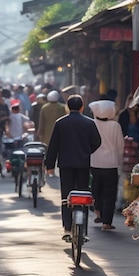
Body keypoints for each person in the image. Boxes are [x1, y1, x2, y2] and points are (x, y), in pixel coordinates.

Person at [44, 94, 102, 242]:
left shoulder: (61, 123)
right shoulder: (89, 123)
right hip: (83, 165)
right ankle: (84, 231)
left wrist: (49, 165)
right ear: (82, 107)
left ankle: (68, 229)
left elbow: (53, 146)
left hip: (65, 165)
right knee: (83, 195)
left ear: (67, 107)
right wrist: (86, 152)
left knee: (66, 196)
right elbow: (97, 142)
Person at [89, 100, 124, 231]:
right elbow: (120, 147)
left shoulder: (92, 124)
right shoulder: (115, 126)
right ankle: (106, 222)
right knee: (109, 193)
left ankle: (98, 212)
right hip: (111, 163)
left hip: (95, 162)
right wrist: (120, 163)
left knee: (96, 189)